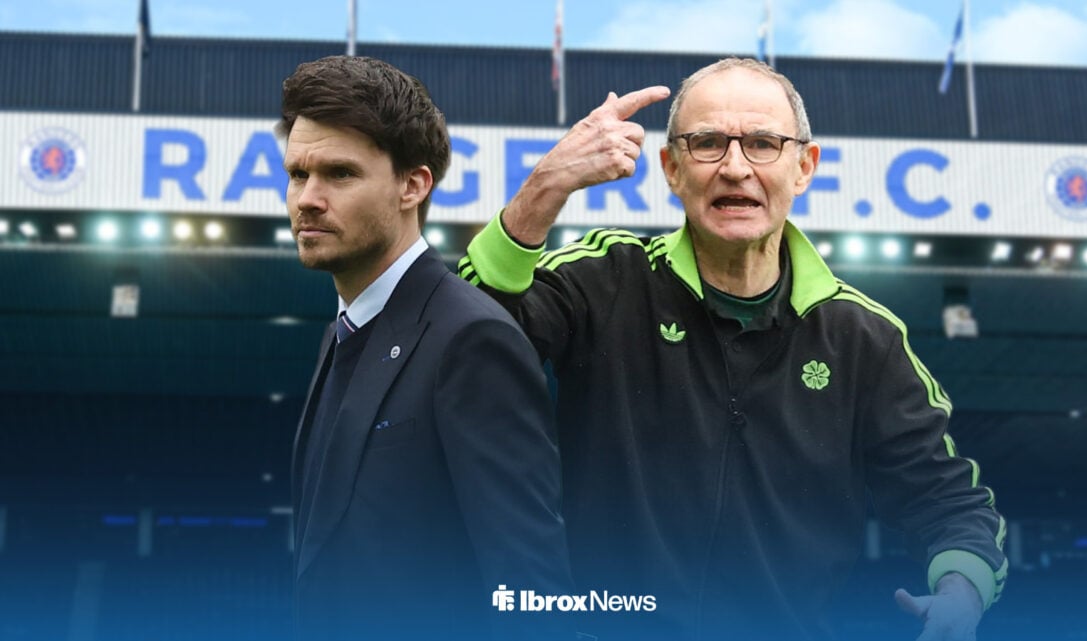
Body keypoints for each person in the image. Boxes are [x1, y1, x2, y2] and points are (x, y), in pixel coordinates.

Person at [459, 58, 1007, 640]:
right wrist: (546, 186)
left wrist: (960, 595)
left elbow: (951, 503)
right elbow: (465, 340)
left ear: (804, 167)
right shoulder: (605, 278)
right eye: (708, 143)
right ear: (671, 169)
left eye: (764, 144)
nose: (736, 167)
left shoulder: (864, 337)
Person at [279, 55, 575, 641]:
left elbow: (529, 587)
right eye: (297, 174)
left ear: (412, 185)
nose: (307, 198)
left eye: (339, 174)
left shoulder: (471, 339)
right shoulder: (344, 329)